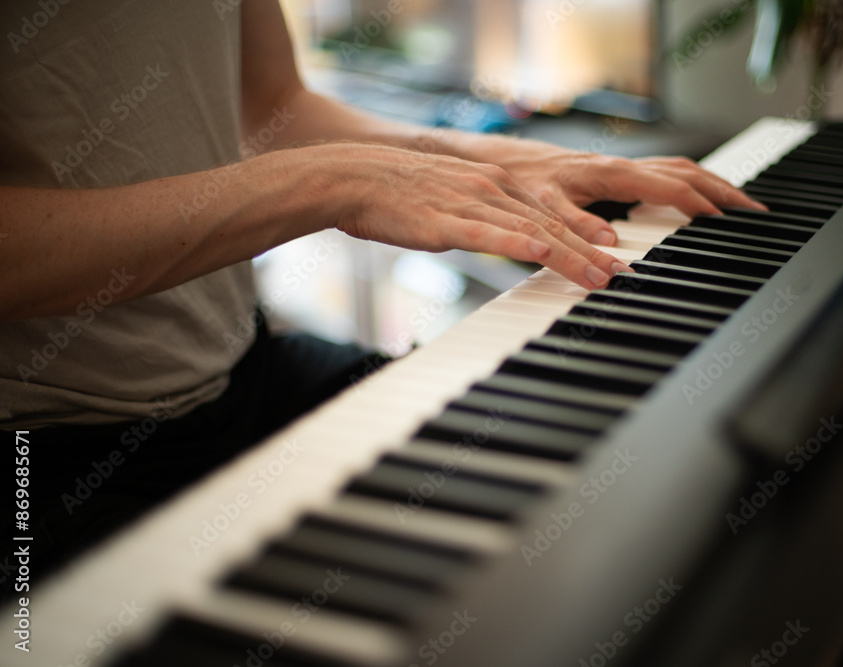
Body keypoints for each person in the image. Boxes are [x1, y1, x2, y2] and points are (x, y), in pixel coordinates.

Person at [0, 0, 761, 590]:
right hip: (43, 456)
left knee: (586, 482)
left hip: (240, 372)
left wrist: (498, 158)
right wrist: (331, 180)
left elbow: (270, 110)